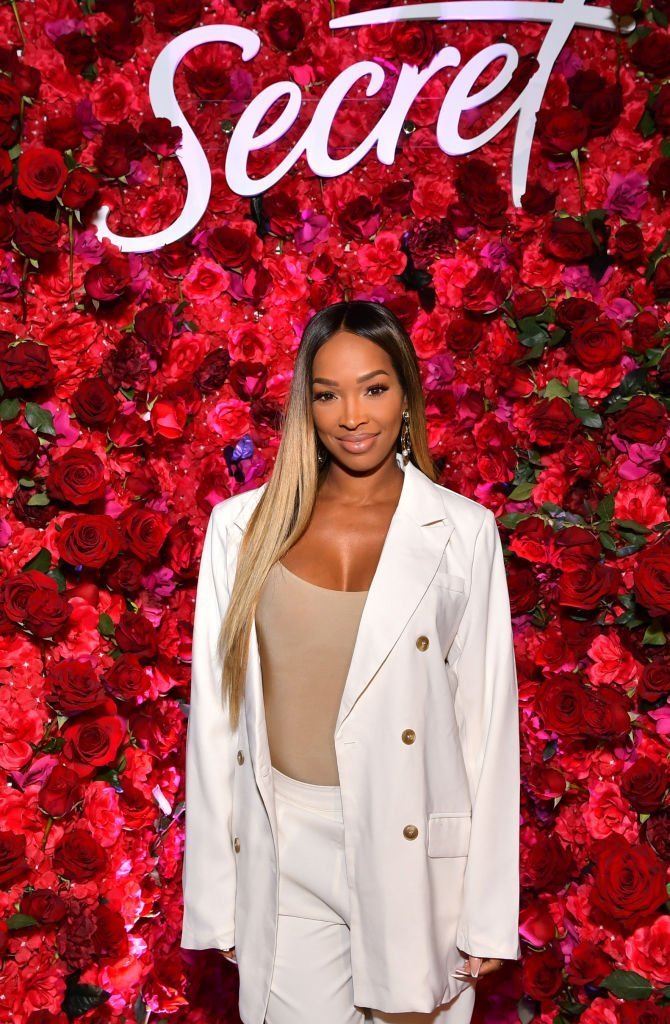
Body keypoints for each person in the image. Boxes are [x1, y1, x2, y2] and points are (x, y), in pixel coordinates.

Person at [180, 300, 521, 1024]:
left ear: (406, 398)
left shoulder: (463, 532)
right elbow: (216, 720)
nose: (352, 414)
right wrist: (216, 896)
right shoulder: (241, 529)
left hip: (412, 844)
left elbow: (486, 728)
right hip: (283, 842)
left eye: (374, 388)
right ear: (307, 404)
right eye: (328, 393)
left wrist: (490, 911)